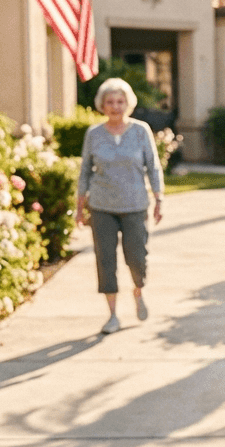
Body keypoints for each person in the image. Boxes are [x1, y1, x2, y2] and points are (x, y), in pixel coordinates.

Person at [76, 77, 164, 334]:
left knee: (137, 257)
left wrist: (159, 199)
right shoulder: (94, 134)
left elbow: (153, 167)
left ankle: (138, 291)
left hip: (135, 204)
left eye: (120, 101)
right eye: (110, 102)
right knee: (105, 260)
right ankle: (112, 315)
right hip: (101, 205)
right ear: (102, 105)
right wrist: (80, 206)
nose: (115, 106)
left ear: (128, 103)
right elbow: (85, 172)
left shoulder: (140, 130)